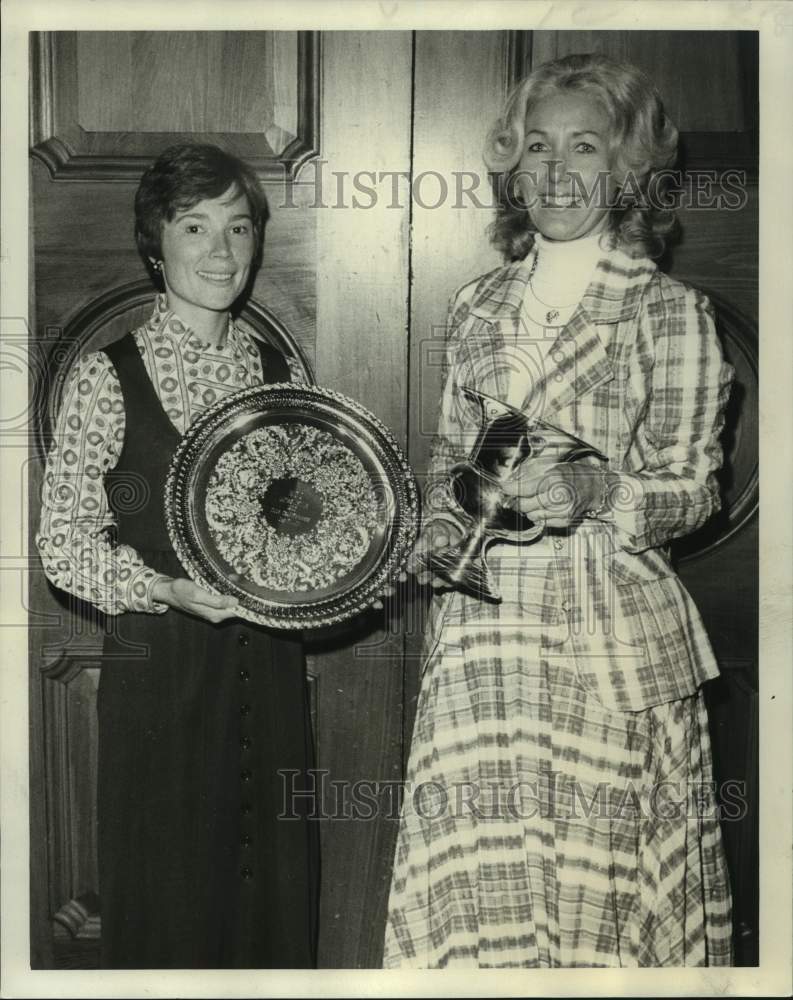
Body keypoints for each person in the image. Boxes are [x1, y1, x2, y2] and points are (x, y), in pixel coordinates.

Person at [383, 54, 734, 968]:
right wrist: (434, 528)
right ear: (512, 162)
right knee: (482, 891)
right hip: (483, 637)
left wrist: (598, 491)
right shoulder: (477, 304)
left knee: (596, 903)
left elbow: (695, 487)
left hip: (605, 639)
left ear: (625, 171)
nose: (554, 169)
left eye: (584, 145)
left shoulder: (668, 312)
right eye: (536, 145)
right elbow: (450, 460)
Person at [37, 143, 318, 969]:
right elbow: (61, 545)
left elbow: (308, 519)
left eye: (238, 226)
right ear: (154, 242)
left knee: (270, 893)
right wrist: (164, 586)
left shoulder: (280, 370)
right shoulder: (104, 376)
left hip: (267, 670)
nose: (221, 251)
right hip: (160, 670)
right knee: (169, 900)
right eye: (194, 226)